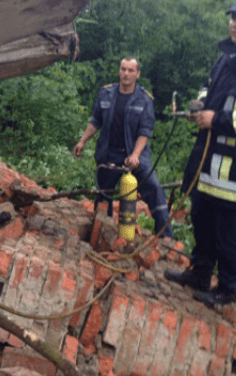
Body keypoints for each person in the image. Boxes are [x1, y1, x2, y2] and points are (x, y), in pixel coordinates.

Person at [164, 0, 236, 306]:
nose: (234, 24)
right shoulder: (227, 57)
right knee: (202, 217)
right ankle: (200, 272)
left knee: (231, 230)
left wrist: (219, 120)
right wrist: (200, 106)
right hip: (211, 162)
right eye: (232, 18)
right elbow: (209, 87)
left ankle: (227, 289)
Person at [73, 57, 173, 239]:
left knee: (154, 187)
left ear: (138, 74)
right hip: (109, 153)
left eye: (131, 70)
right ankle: (102, 236)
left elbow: (145, 131)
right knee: (104, 194)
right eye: (123, 69)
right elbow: (96, 121)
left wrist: (135, 155)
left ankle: (166, 237)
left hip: (134, 154)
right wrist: (82, 141)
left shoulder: (144, 99)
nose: (126, 74)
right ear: (119, 71)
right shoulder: (106, 94)